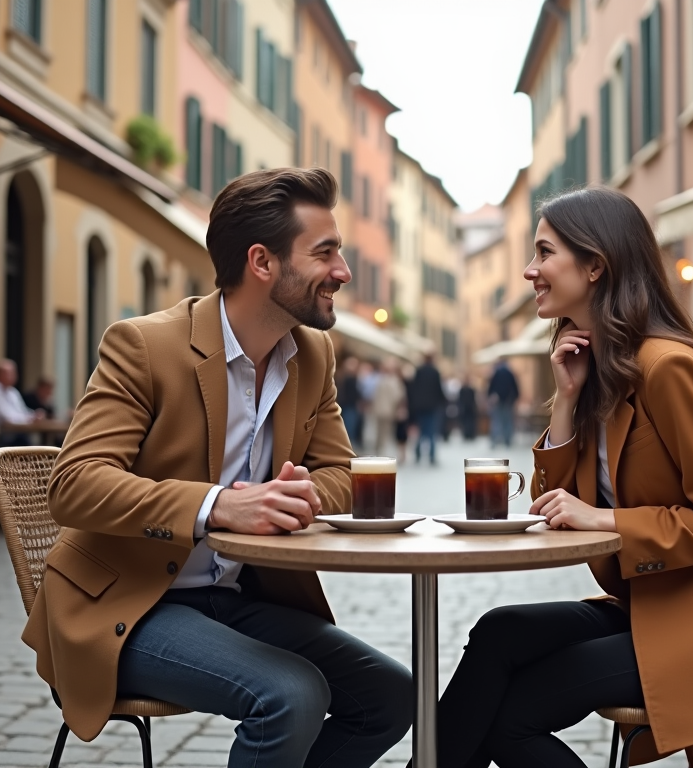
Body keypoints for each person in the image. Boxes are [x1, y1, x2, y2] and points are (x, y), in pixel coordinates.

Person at [29, 168, 412, 768]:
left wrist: (298, 492)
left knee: (392, 696)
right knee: (291, 694)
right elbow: (75, 483)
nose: (343, 272)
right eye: (326, 253)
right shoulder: (143, 345)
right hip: (130, 605)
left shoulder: (312, 355)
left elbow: (342, 474)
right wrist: (217, 506)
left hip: (237, 597)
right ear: (262, 262)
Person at [432, 187, 693, 768]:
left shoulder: (669, 369)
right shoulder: (600, 367)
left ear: (595, 264)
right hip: (650, 602)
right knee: (497, 632)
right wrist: (565, 402)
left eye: (545, 253)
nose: (529, 270)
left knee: (511, 717)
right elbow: (557, 501)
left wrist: (603, 519)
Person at [408, 352, 446, 465]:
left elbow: (414, 389)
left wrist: (413, 404)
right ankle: (432, 456)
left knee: (421, 431)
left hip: (419, 406)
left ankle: (418, 453)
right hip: (432, 406)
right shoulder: (435, 372)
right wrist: (443, 401)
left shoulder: (419, 371)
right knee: (431, 432)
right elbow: (439, 389)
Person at [0, 359, 39, 425]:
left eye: (14, 373)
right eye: (11, 373)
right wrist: (28, 418)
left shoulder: (12, 391)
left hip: (15, 430)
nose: (14, 376)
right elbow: (5, 417)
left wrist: (34, 415)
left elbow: (22, 411)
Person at [370, 358, 406, 456]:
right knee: (385, 433)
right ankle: (382, 452)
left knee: (379, 432)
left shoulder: (381, 379)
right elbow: (398, 396)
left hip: (379, 410)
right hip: (389, 410)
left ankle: (378, 450)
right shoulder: (394, 381)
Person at [487, 360, 520, 447]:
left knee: (497, 420)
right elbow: (515, 387)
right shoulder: (510, 373)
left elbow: (491, 386)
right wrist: (515, 397)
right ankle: (507, 440)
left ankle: (494, 440)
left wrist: (490, 395)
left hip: (497, 400)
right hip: (508, 400)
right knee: (508, 420)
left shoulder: (496, 373)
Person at [337, 356, 363, 450]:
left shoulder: (345, 377)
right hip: (349, 406)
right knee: (349, 427)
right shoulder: (349, 378)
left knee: (349, 427)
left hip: (348, 406)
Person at [457, 376, 479, 440]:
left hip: (469, 408)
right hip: (466, 407)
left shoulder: (469, 390)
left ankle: (470, 434)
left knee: (469, 422)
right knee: (466, 422)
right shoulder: (464, 390)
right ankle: (467, 434)